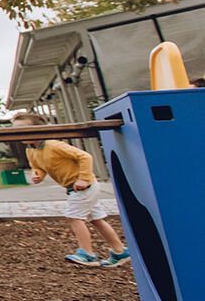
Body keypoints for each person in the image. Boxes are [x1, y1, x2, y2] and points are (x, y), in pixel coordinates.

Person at [12, 111, 131, 268]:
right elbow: (37, 166)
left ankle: (87, 254)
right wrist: (38, 175)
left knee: (74, 217)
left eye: (22, 129)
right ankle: (119, 251)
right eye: (15, 129)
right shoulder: (31, 150)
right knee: (96, 220)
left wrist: (83, 178)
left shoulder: (53, 145)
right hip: (75, 187)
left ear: (38, 129)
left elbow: (85, 156)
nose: (18, 133)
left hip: (84, 186)